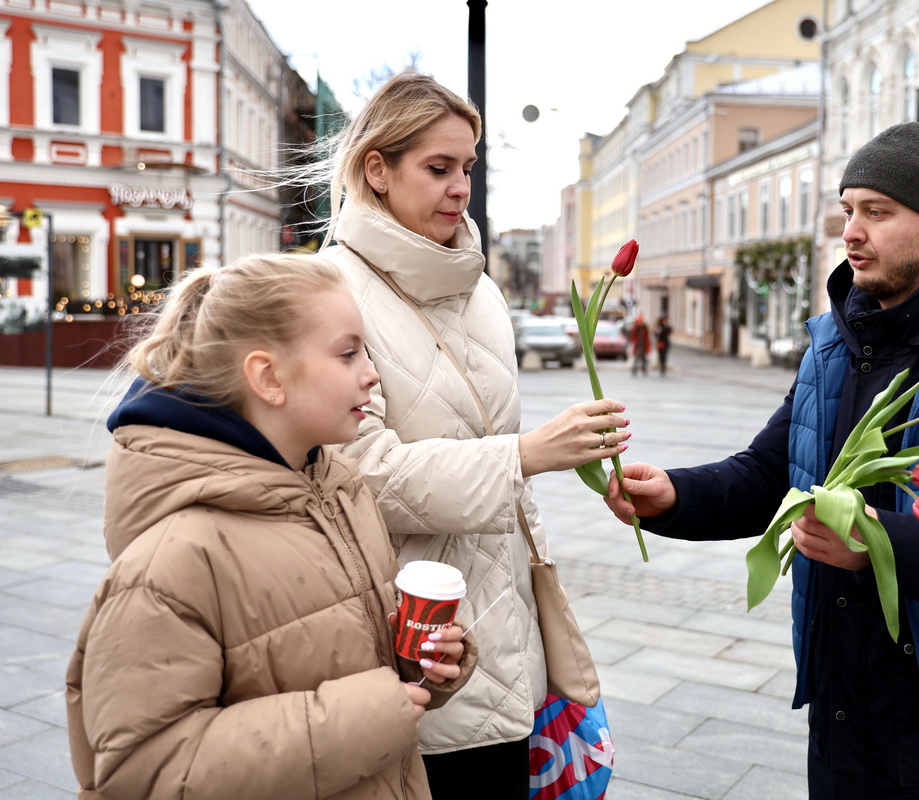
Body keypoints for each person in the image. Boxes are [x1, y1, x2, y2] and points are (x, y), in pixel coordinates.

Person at [605, 122, 919, 799]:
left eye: (877, 211)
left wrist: (879, 544)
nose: (852, 232)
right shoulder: (836, 346)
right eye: (848, 211)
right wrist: (674, 496)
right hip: (848, 724)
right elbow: (773, 472)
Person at [312, 71, 631, 798]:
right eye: (437, 167)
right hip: (406, 635)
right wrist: (523, 457)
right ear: (377, 171)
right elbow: (355, 473)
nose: (461, 187)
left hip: (506, 633)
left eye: (468, 167)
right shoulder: (330, 290)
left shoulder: (482, 290)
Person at [65, 254, 476, 800]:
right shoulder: (172, 562)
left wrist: (419, 660)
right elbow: (143, 773)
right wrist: (370, 715)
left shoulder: (343, 489)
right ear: (268, 377)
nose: (372, 373)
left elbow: (337, 657)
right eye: (349, 353)